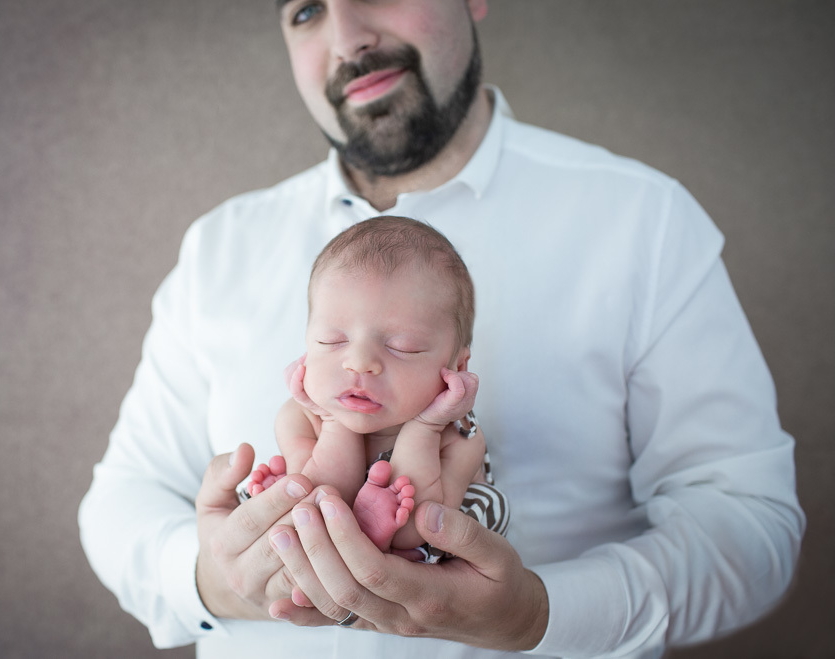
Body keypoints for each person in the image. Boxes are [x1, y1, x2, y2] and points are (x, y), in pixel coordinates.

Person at [78, 1, 805, 657]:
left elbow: (751, 528)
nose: (348, 36)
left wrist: (541, 616)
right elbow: (122, 500)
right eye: (305, 10)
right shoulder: (220, 246)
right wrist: (212, 577)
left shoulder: (642, 223)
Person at [249, 216, 507, 558]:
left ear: (456, 367)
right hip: (323, 523)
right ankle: (312, 514)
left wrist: (426, 427)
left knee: (491, 508)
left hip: (418, 551)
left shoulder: (461, 437)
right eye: (331, 340)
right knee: (295, 499)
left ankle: (372, 533)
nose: (359, 363)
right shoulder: (298, 417)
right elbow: (321, 492)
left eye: (402, 347)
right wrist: (332, 421)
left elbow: (420, 527)